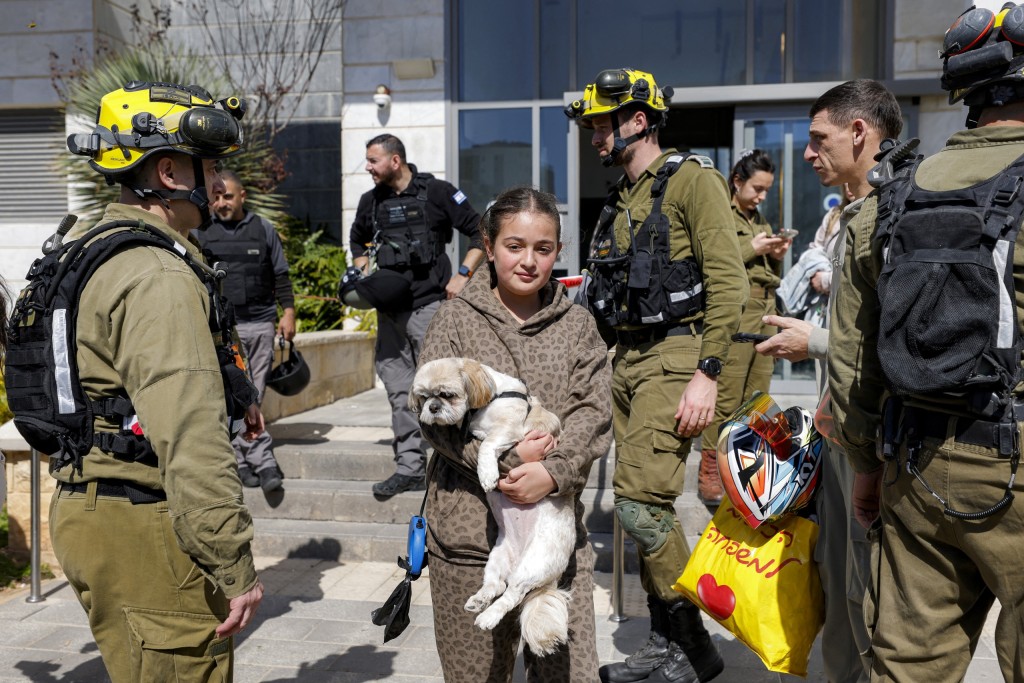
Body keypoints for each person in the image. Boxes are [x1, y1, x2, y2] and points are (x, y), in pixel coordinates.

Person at [44, 82, 264, 681]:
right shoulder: (157, 277)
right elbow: (190, 436)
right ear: (169, 172)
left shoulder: (90, 245)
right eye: (211, 165)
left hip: (94, 509)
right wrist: (231, 561)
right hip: (142, 522)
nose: (220, 183)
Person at [829, 6, 1024, 680]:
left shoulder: (890, 198)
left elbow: (853, 359)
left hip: (913, 467)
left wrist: (863, 464)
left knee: (908, 669)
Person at [566, 68, 747, 683]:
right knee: (642, 506)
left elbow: (731, 283)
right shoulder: (623, 196)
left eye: (600, 126)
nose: (594, 138)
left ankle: (693, 644)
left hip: (676, 358)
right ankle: (667, 644)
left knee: (642, 507)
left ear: (637, 121)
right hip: (629, 360)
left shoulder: (693, 182)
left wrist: (708, 373)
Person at [416, 186, 612, 682]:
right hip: (468, 540)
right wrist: (502, 462)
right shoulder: (456, 320)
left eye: (543, 249)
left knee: (570, 674)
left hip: (554, 538)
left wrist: (552, 472)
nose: (528, 261)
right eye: (514, 246)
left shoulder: (578, 326)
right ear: (489, 242)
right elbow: (428, 412)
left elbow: (594, 415)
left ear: (558, 252)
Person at [756, 79, 902, 683]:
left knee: (868, 589)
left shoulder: (900, 216)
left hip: (875, 439)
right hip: (836, 426)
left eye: (820, 139)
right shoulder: (845, 216)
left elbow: (891, 342)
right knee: (839, 578)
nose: (809, 152)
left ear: (860, 133)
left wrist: (810, 340)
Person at [349, 133, 485, 498]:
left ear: (395, 161)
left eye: (373, 160)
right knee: (399, 391)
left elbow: (479, 230)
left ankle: (459, 464)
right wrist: (364, 273)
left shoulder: (438, 192)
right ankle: (409, 466)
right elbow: (358, 240)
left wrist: (463, 275)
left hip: (429, 309)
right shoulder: (370, 201)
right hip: (389, 312)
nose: (368, 167)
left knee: (442, 389)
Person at [697, 148, 789, 505]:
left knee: (757, 396)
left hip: (766, 306)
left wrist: (775, 256)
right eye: (757, 188)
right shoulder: (721, 213)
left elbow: (766, 273)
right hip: (738, 308)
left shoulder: (760, 219)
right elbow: (716, 258)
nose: (762, 196)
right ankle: (710, 469)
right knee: (727, 393)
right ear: (737, 182)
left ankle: (744, 464)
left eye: (767, 189)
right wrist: (752, 247)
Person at [198, 169, 295, 493]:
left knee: (255, 394)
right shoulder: (200, 233)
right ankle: (262, 461)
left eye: (228, 196)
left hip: (260, 324)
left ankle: (240, 460)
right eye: (216, 196)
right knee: (240, 395)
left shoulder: (262, 229)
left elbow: (280, 274)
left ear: (242, 197)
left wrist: (289, 313)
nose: (221, 203)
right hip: (223, 331)